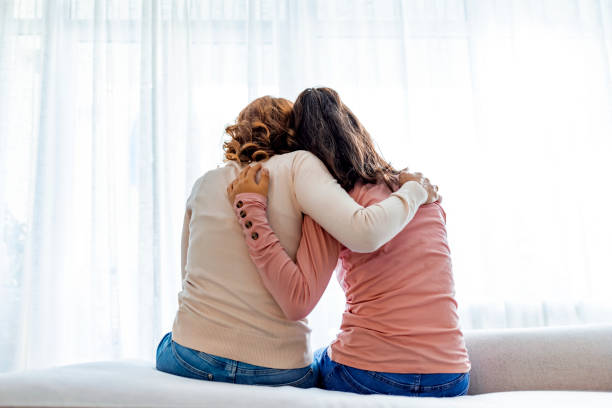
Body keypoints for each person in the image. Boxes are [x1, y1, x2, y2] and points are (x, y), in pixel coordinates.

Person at [155, 95, 436, 388]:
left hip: (192, 356)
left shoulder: (204, 183)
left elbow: (188, 276)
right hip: (279, 369)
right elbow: (361, 231)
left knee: (168, 340)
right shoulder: (301, 166)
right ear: (294, 131)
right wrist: (414, 190)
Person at [227, 87, 470, 396]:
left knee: (308, 365)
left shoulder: (332, 205)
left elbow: (297, 300)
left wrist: (253, 213)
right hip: (451, 375)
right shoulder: (423, 195)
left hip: (370, 372)